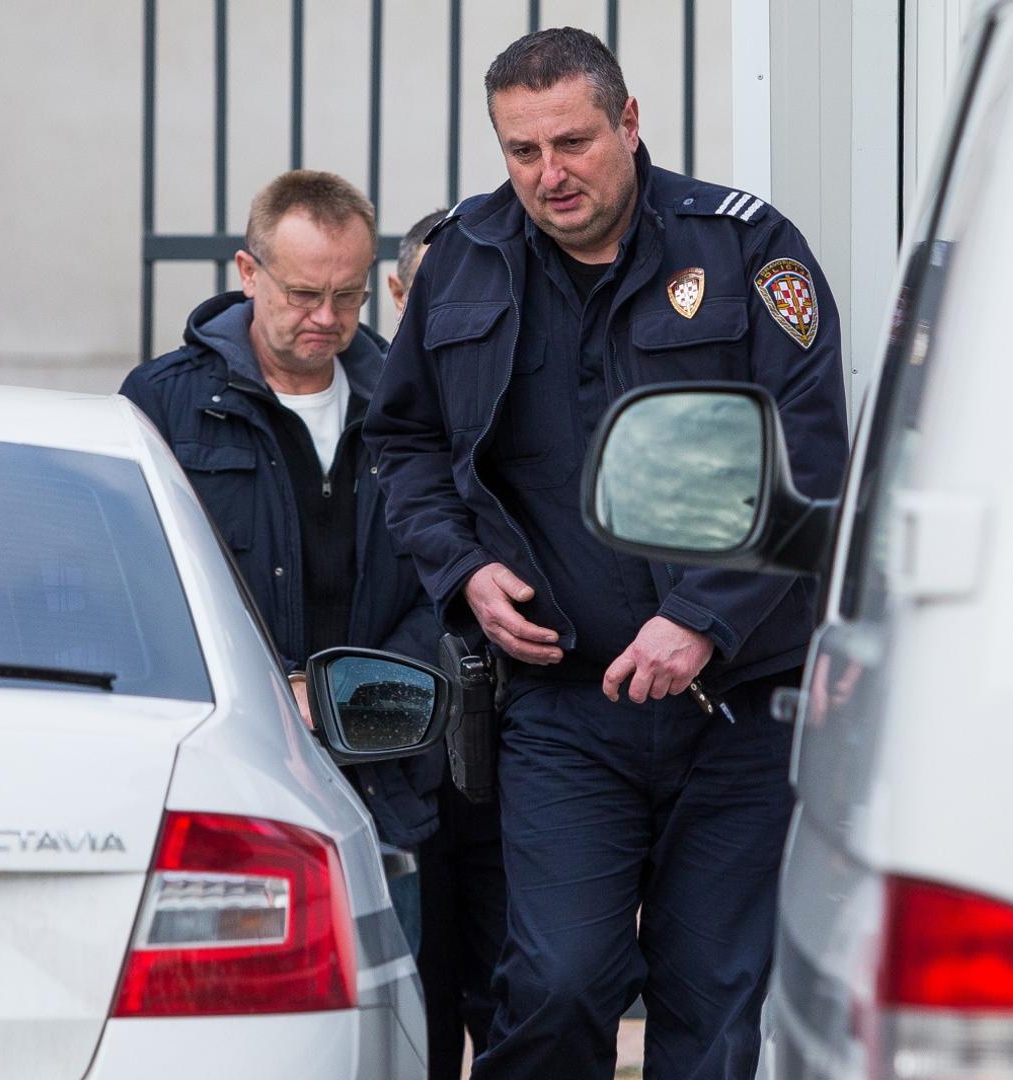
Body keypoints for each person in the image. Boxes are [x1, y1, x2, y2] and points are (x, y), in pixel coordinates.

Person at [365, 28, 849, 1080]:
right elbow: (403, 442)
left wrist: (703, 618)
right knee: (558, 983)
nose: (550, 173)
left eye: (573, 142)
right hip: (563, 708)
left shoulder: (745, 249)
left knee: (713, 1006)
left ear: (628, 123)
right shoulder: (465, 260)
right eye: (522, 150)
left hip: (734, 707)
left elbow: (810, 461)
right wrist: (461, 569)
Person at [120, 170, 444, 952]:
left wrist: (352, 693)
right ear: (248, 272)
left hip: (383, 775)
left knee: (390, 1003)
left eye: (347, 296)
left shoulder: (411, 405)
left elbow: (445, 579)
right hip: (226, 767)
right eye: (302, 294)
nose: (326, 318)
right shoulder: (164, 403)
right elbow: (139, 586)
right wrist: (274, 690)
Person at [389, 207, 510, 1080]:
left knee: (520, 993)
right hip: (400, 749)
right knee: (417, 1007)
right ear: (404, 295)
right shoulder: (377, 409)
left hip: (510, 745)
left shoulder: (518, 395)